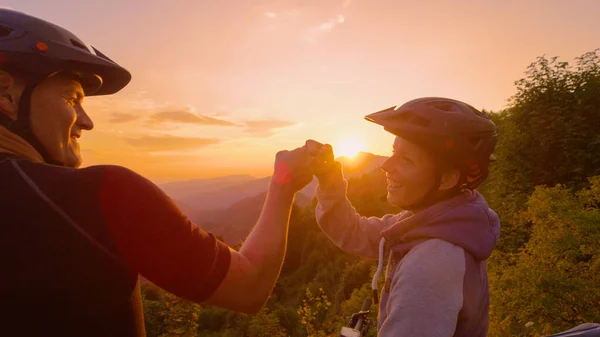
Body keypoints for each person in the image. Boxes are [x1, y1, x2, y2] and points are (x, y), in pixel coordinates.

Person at [0, 9, 314, 337]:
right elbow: (249, 288)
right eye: (72, 99)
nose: (86, 120)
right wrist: (283, 185)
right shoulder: (103, 195)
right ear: (6, 93)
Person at [307, 97, 501, 336]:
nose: (386, 166)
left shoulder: (430, 266)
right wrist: (329, 181)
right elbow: (355, 232)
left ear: (448, 178)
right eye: (393, 152)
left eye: (406, 160)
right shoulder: (430, 224)